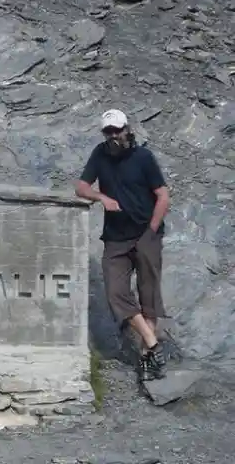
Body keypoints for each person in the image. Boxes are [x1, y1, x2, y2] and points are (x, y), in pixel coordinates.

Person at [75, 109, 171, 382]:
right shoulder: (100, 154)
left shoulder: (143, 157)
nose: (114, 136)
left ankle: (146, 361)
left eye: (117, 130)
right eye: (108, 131)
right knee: (116, 292)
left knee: (148, 296)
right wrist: (101, 197)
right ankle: (152, 342)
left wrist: (151, 231)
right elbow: (81, 187)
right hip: (115, 238)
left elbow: (163, 196)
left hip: (145, 234)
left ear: (127, 128)